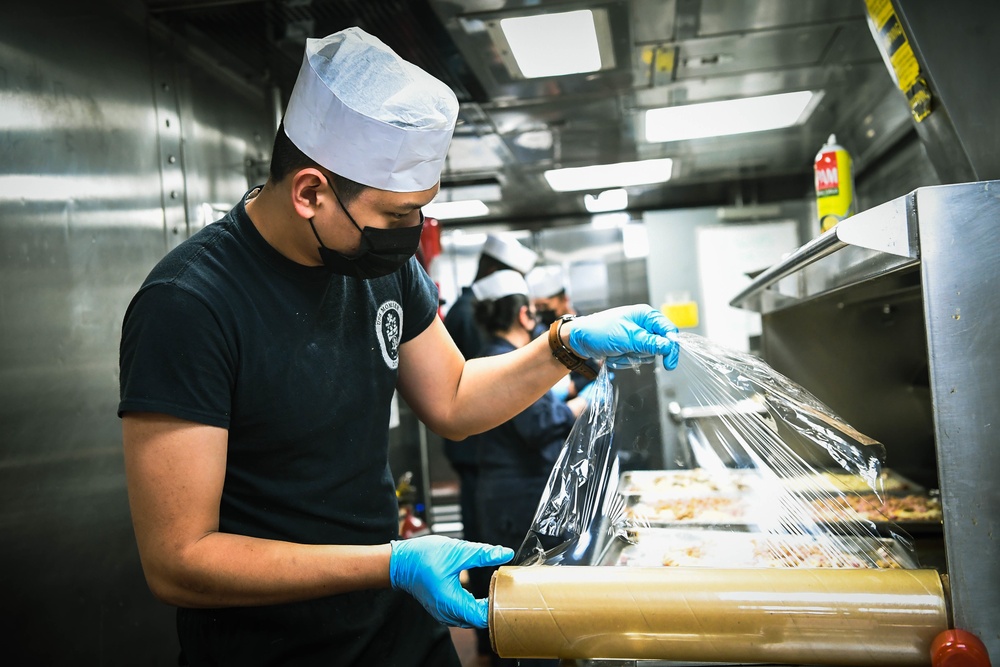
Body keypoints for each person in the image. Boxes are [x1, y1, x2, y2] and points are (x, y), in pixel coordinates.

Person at [118, 26, 679, 667]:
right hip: (272, 649)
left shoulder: (378, 268)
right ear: (310, 193)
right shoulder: (190, 305)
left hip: (396, 632)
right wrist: (389, 564)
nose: (410, 237)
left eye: (421, 212)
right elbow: (179, 560)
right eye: (394, 217)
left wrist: (566, 344)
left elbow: (455, 398)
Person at [469, 270, 592, 667]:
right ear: (525, 315)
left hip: (511, 497)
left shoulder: (496, 352)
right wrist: (586, 401)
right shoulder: (503, 358)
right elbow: (537, 424)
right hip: (516, 503)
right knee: (526, 611)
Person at [441, 232, 537, 657]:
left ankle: (491, 640)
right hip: (481, 458)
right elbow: (485, 387)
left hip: (482, 457)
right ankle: (490, 641)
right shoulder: (467, 317)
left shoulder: (469, 310)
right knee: (485, 553)